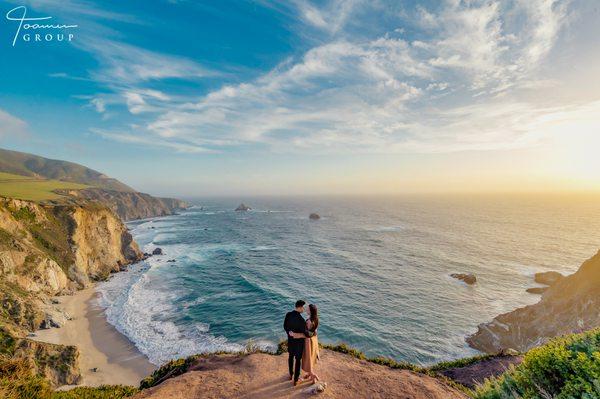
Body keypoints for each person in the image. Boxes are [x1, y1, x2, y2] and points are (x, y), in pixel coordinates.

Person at [283, 300, 313, 386]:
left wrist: (289, 333)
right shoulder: (301, 320)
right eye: (303, 307)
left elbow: (285, 326)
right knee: (298, 360)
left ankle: (290, 374)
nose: (304, 309)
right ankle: (296, 380)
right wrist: (313, 333)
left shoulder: (288, 315)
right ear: (299, 307)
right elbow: (307, 333)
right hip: (299, 344)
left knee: (290, 357)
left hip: (290, 341)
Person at [289, 303, 320, 383]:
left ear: (311, 311)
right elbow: (314, 331)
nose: (306, 309)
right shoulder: (315, 319)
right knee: (311, 358)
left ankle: (313, 376)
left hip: (308, 342)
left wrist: (294, 334)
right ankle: (310, 374)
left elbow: (306, 334)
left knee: (307, 359)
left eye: (308, 309)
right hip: (314, 340)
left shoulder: (309, 321)